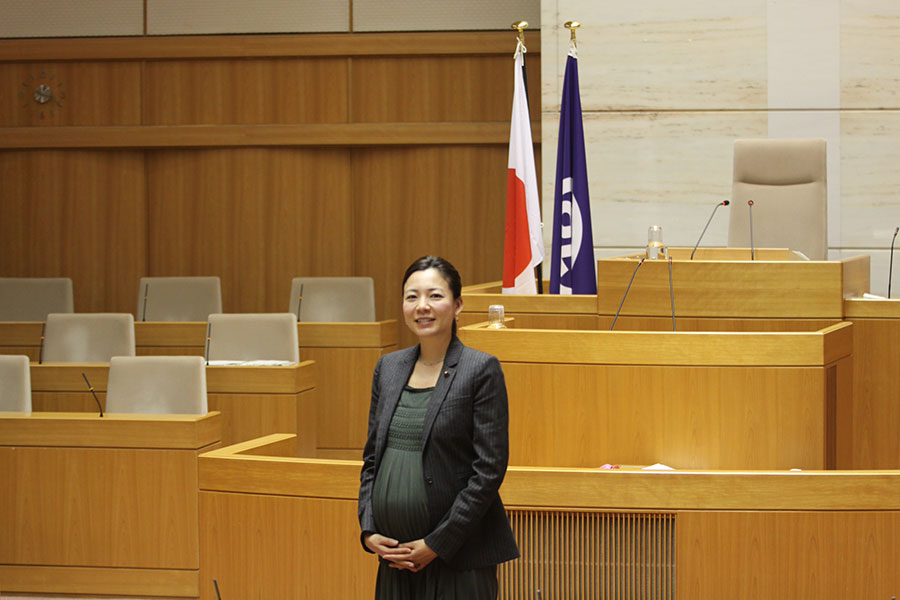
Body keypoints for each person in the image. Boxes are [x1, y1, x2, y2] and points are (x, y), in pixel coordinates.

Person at [358, 256, 519, 599]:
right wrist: (369, 530)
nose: (422, 306)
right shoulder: (388, 368)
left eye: (435, 295)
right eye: (411, 296)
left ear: (458, 305)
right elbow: (372, 460)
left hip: (458, 559)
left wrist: (436, 543)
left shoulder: (480, 369)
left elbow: (488, 472)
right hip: (395, 559)